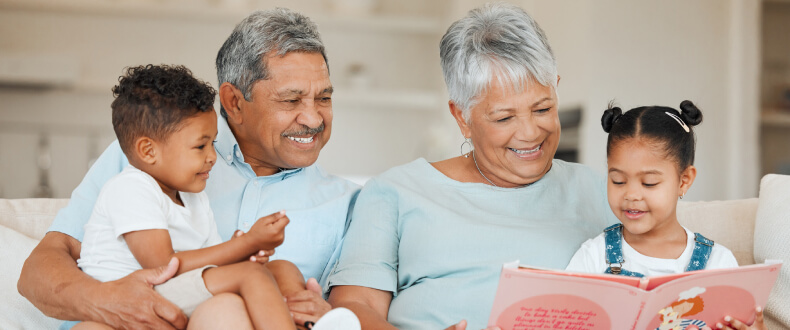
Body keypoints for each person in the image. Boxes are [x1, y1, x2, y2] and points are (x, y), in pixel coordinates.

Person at [18, 8, 359, 330]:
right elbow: (38, 272)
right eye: (291, 100)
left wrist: (326, 311)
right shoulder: (150, 157)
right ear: (234, 102)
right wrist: (105, 300)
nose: (314, 119)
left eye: (324, 99)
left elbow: (360, 310)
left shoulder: (349, 204)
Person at [325, 4, 618, 330]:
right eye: (505, 117)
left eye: (542, 108)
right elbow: (354, 308)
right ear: (462, 117)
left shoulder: (605, 192)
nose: (530, 132)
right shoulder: (395, 192)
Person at [72, 64, 359, 330]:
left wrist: (242, 249)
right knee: (252, 276)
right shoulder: (131, 189)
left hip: (174, 287)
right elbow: (163, 266)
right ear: (148, 151)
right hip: (140, 293)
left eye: (213, 143)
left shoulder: (193, 196)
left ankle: (308, 322)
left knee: (281, 268)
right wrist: (247, 243)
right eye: (200, 147)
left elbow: (212, 259)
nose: (212, 157)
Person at [565, 101, 765, 330]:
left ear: (684, 181)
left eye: (649, 183)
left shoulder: (717, 263)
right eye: (618, 181)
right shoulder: (593, 257)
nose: (631, 195)